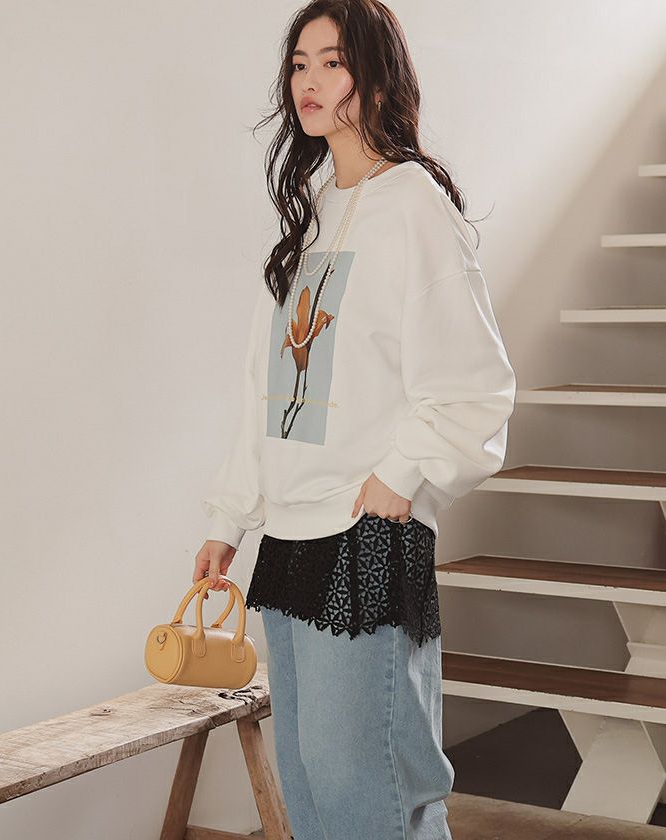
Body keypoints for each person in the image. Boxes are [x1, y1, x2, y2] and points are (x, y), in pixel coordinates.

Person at [193, 1, 517, 838]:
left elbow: (476, 385)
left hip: (366, 531)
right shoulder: (311, 210)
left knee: (370, 785)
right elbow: (264, 385)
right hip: (288, 532)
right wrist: (230, 517)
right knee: (309, 782)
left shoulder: (414, 204)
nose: (309, 80)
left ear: (376, 76)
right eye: (300, 63)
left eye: (332, 62)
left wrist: (398, 479)